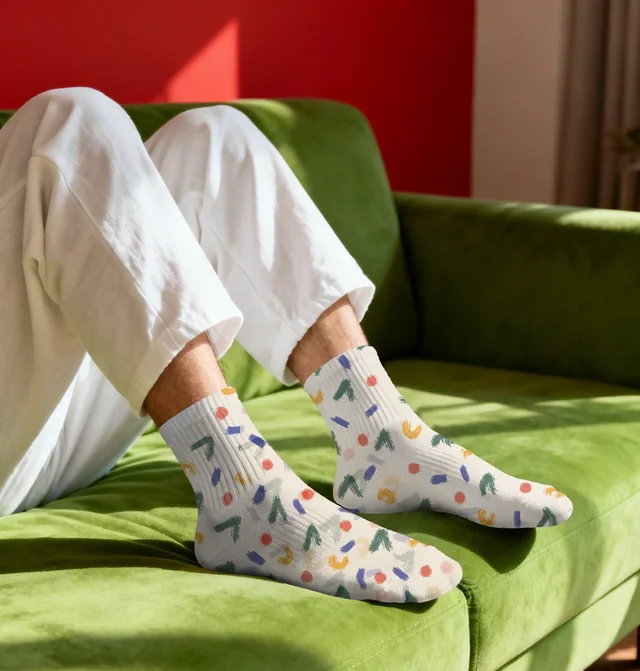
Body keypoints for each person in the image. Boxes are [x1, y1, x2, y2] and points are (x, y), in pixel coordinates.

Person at [0, 88, 573, 604]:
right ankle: (242, 493)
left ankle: (380, 435)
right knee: (69, 118)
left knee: (215, 137)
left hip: (43, 425)